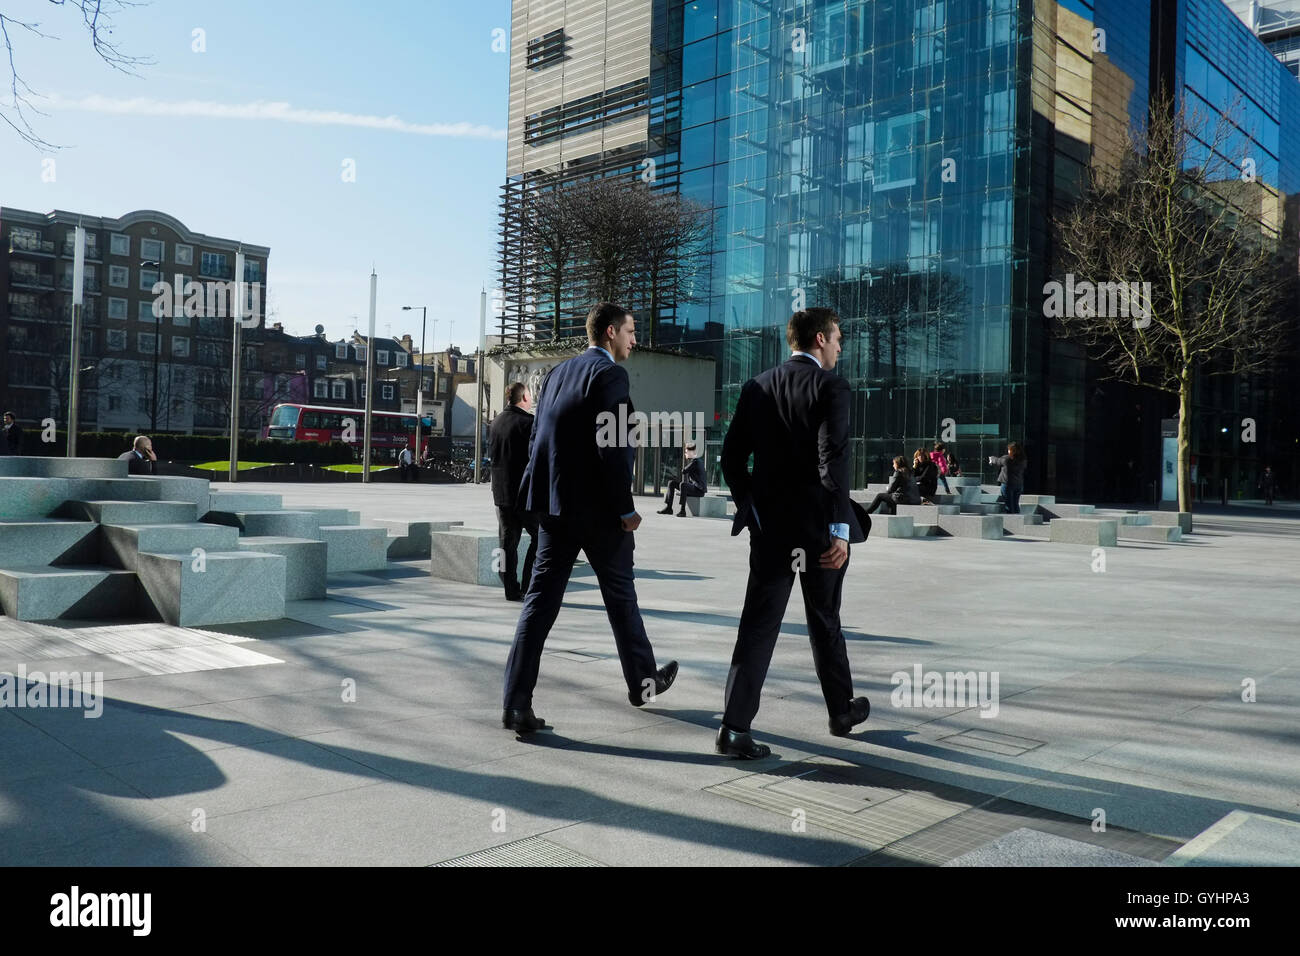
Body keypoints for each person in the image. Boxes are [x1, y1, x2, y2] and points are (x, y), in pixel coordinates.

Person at [501, 303, 678, 734]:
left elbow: (541, 439)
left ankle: (515, 704)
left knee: (539, 605)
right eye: (631, 332)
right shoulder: (610, 375)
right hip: (599, 513)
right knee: (621, 599)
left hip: (555, 510)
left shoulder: (557, 374)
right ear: (611, 332)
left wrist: (537, 498)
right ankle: (643, 683)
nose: (634, 340)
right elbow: (613, 449)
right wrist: (626, 509)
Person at [717, 307, 872, 760]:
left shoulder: (757, 386)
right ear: (820, 339)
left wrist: (754, 506)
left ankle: (734, 727)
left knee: (758, 624)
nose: (841, 347)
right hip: (819, 531)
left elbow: (730, 459)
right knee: (824, 619)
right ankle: (840, 711)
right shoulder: (831, 387)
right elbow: (834, 462)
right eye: (838, 338)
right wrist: (840, 529)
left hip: (771, 531)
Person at [489, 382, 540, 602]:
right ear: (524, 398)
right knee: (539, 537)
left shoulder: (496, 422)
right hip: (524, 493)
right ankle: (530, 585)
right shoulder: (528, 423)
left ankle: (510, 587)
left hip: (501, 492)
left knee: (507, 542)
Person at [658, 441, 706, 516]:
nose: (685, 454)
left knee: (683, 485)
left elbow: (684, 471)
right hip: (694, 488)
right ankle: (669, 508)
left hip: (699, 490)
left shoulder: (696, 461)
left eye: (686, 452)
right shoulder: (694, 461)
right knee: (671, 483)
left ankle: (682, 510)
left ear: (691, 452)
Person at [989, 441, 1027, 515]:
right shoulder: (1023, 460)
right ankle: (1017, 521)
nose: (1008, 451)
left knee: (1009, 505)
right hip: (1019, 485)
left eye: (1009, 449)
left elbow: (997, 461)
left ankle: (1011, 522)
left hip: (1008, 484)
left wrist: (991, 458)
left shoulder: (1007, 459)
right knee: (1015, 505)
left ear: (1012, 451)